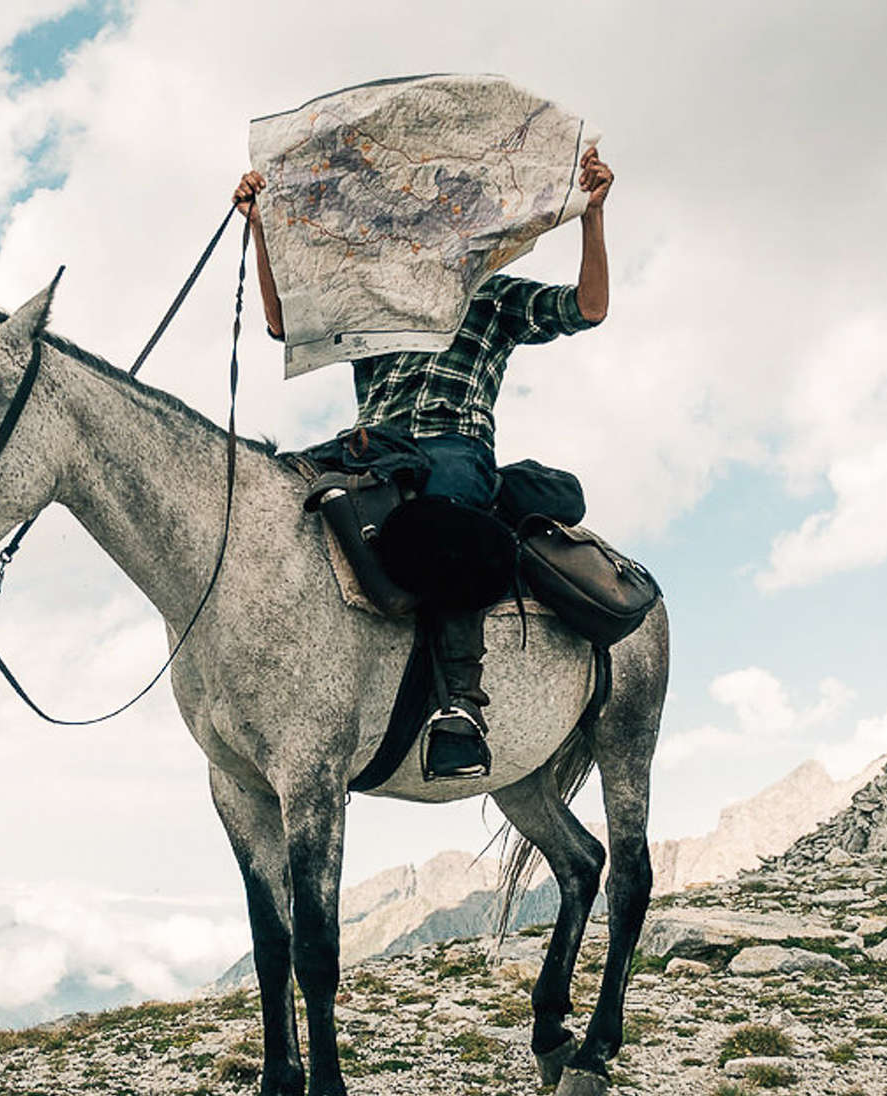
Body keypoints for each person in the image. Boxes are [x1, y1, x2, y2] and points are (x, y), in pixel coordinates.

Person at [233, 147, 614, 780]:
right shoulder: (373, 305)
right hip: (371, 449)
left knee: (450, 525)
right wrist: (258, 227)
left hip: (449, 446)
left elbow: (588, 307)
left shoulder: (493, 297)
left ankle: (459, 708)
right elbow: (282, 322)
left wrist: (592, 217)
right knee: (277, 494)